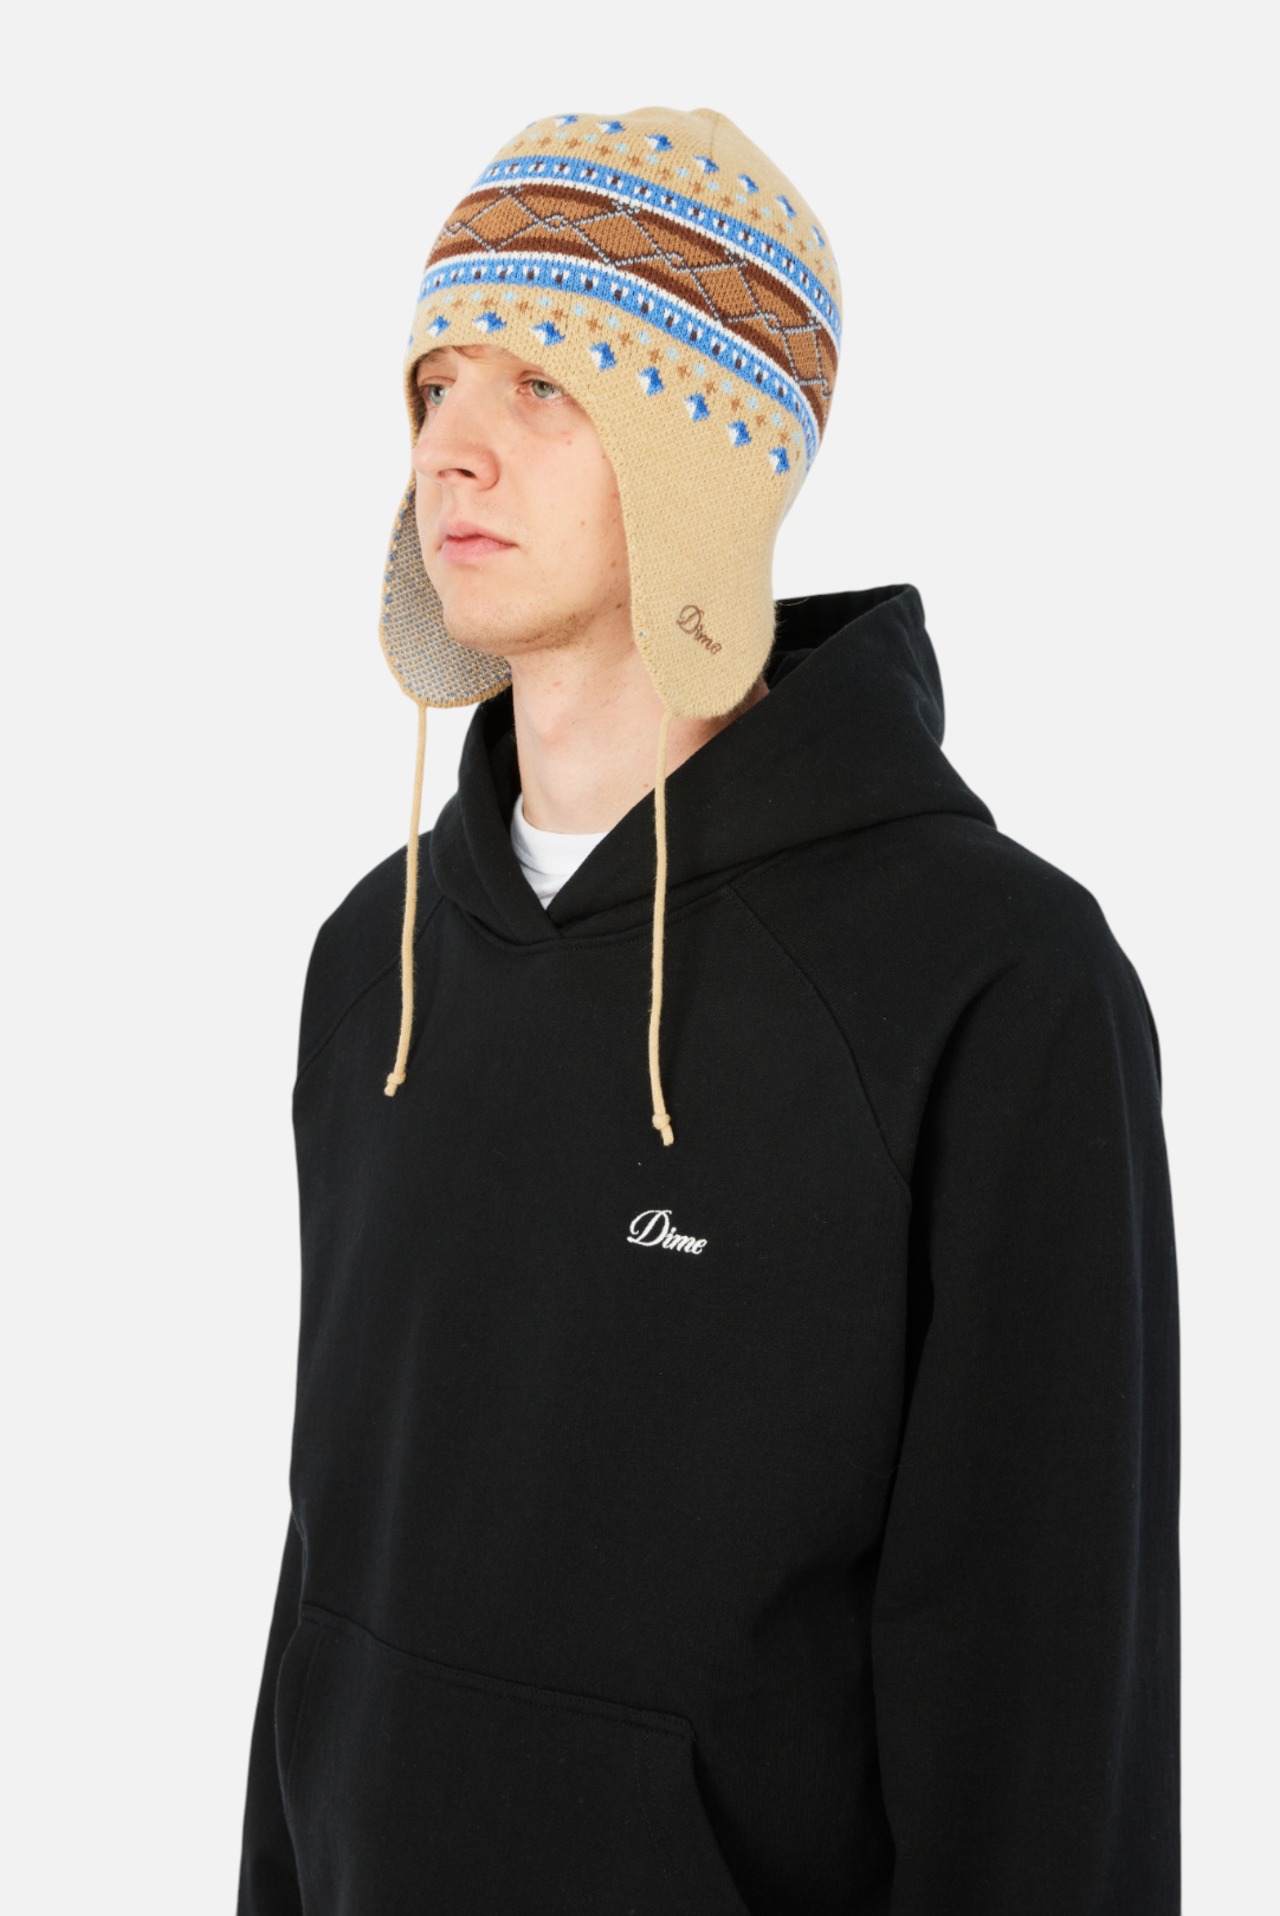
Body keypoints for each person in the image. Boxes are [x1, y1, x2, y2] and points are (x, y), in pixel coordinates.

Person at [235, 105, 1181, 1915]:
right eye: (434, 383)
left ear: (707, 448)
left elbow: (1050, 1726)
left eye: (544, 382)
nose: (450, 448)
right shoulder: (376, 962)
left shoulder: (992, 983)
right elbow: (328, 1585)